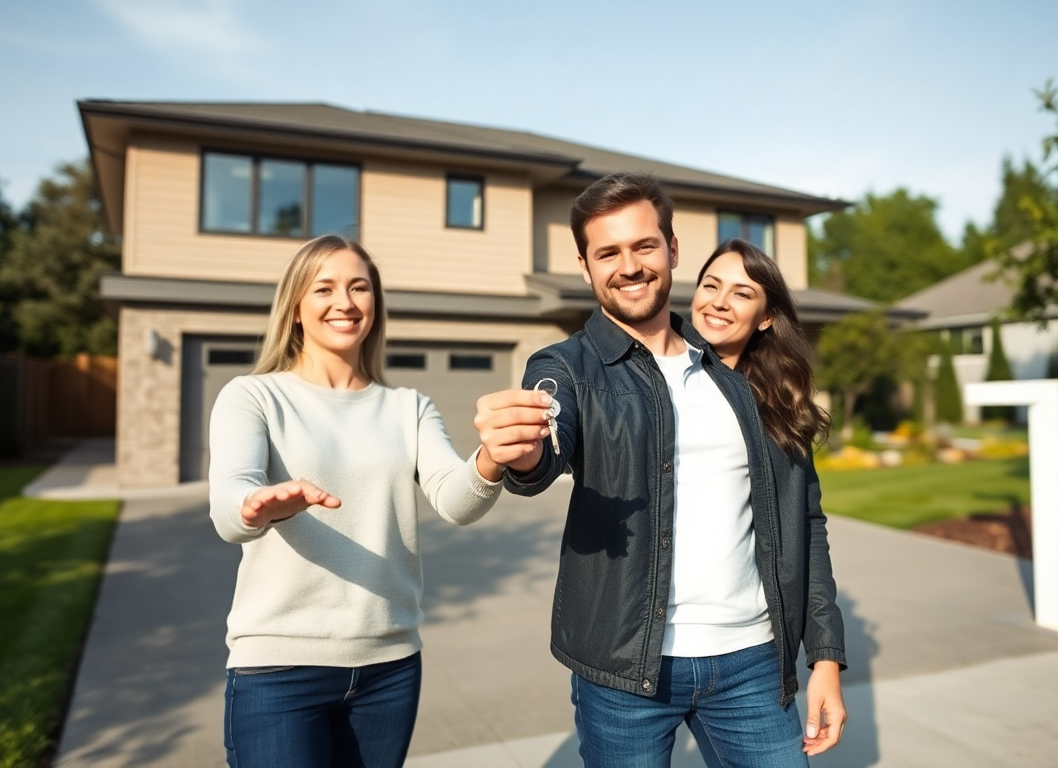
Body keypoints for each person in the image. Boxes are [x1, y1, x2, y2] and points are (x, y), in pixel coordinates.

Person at [474, 173, 846, 767]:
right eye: (608, 252)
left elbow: (806, 521)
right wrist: (521, 451)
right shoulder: (565, 366)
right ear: (585, 265)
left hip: (752, 662)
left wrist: (824, 656)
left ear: (672, 250)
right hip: (625, 673)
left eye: (644, 246)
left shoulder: (737, 372)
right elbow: (546, 443)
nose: (629, 266)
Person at [208, 234, 504, 768]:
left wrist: (493, 458)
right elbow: (231, 501)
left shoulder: (408, 407)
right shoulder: (252, 396)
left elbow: (456, 500)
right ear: (296, 307)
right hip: (278, 670)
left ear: (375, 305)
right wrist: (258, 504)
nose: (344, 302)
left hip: (389, 668)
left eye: (358, 287)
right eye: (324, 288)